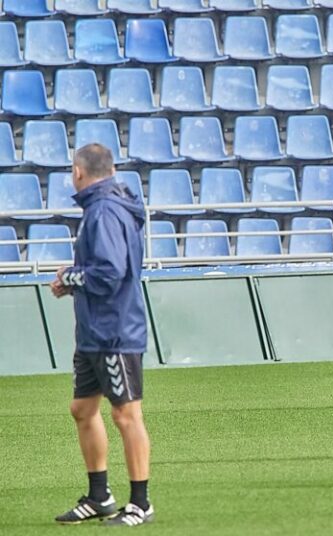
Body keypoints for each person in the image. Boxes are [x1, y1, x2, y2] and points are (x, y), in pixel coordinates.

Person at [51, 144, 154, 526]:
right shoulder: (106, 206)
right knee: (82, 409)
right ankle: (100, 496)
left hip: (114, 331)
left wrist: (69, 277)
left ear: (79, 172)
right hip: (95, 330)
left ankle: (140, 503)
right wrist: (74, 282)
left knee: (126, 414)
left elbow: (109, 273)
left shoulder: (104, 210)